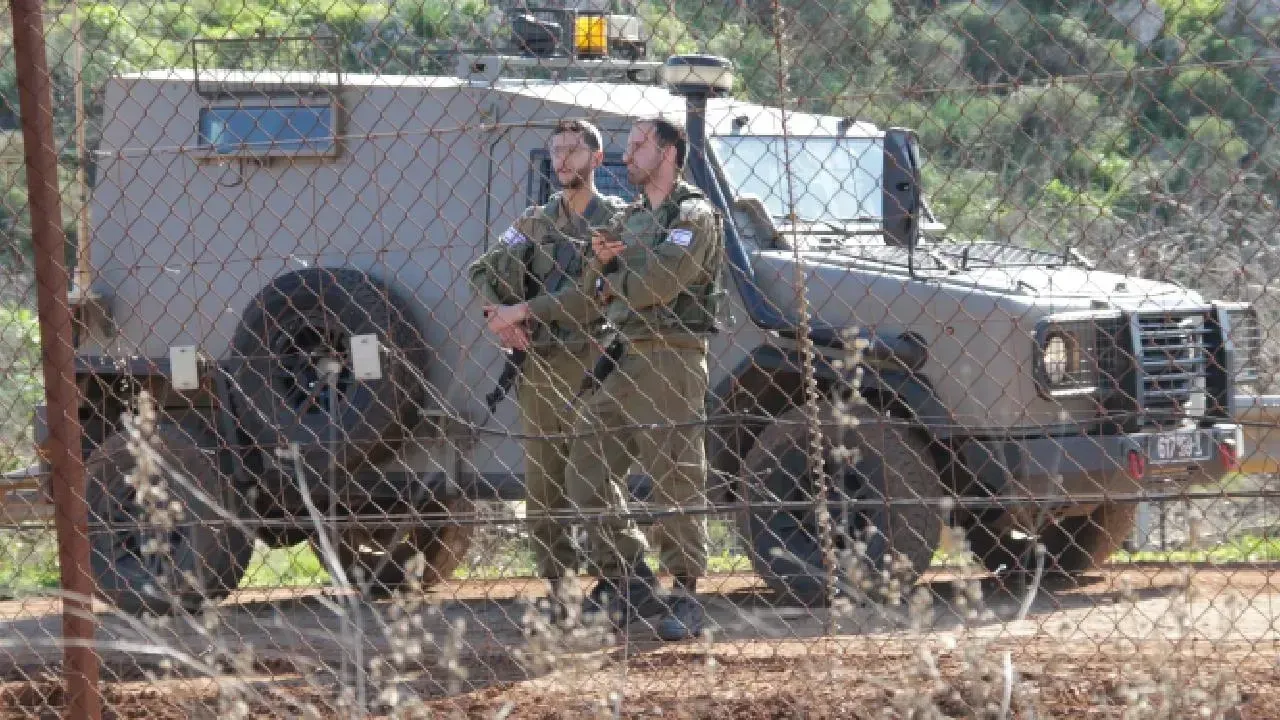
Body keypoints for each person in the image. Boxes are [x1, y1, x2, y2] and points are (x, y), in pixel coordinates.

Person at [495, 116, 725, 640]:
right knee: (585, 471)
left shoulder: (692, 214)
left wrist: (612, 276)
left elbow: (658, 283)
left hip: (671, 353)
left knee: (674, 473)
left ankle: (686, 592)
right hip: (621, 356)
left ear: (669, 152)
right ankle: (629, 576)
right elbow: (589, 288)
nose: (628, 154)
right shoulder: (629, 219)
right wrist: (603, 279)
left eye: (640, 144)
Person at [467, 118, 658, 626]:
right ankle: (561, 585)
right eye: (556, 152)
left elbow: (596, 296)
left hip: (596, 360)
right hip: (540, 363)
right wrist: (500, 316)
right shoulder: (535, 220)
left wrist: (522, 310)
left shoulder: (618, 220)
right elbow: (482, 270)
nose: (562, 160)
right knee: (544, 483)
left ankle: (628, 576)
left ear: (597, 159)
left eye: (573, 150)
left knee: (592, 476)